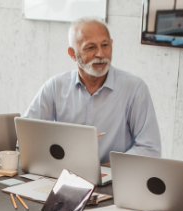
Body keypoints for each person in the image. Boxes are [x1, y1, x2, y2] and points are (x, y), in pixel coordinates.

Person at [23, 17, 161, 165]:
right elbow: (25, 136)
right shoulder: (55, 86)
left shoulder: (134, 89)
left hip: (113, 179)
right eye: (91, 47)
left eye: (105, 45)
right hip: (63, 174)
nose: (101, 54)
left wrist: (108, 169)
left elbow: (149, 149)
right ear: (72, 54)